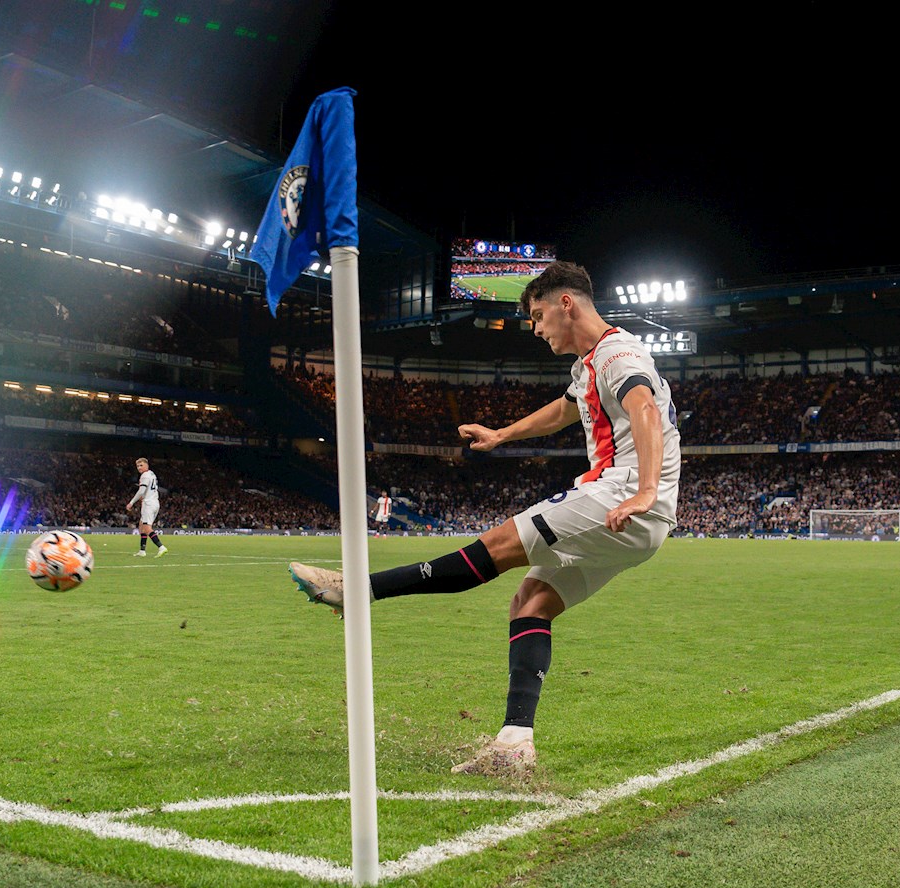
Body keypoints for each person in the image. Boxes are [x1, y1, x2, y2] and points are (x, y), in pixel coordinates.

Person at [288, 261, 681, 778]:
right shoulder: (591, 364)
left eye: (539, 316)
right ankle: (514, 744)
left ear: (567, 303)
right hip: (634, 512)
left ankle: (355, 591)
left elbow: (645, 410)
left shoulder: (618, 354)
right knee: (530, 603)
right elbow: (563, 411)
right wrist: (501, 434)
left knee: (495, 547)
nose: (537, 330)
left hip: (624, 495)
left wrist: (645, 490)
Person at [127, 457, 167, 558]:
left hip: (148, 504)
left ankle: (161, 547)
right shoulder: (152, 474)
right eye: (138, 466)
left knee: (147, 527)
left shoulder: (144, 476)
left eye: (141, 465)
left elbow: (141, 491)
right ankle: (142, 551)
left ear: (147, 465)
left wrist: (131, 502)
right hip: (154, 502)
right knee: (141, 525)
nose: (139, 468)